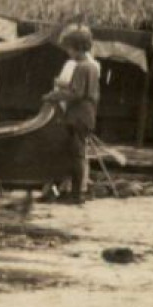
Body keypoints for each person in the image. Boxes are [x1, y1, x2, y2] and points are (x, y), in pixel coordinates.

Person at [47, 25, 100, 204]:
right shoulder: (92, 67)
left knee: (76, 155)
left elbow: (75, 93)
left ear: (76, 47)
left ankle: (76, 195)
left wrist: (54, 96)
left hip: (78, 115)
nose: (68, 52)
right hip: (87, 115)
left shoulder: (81, 67)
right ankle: (74, 193)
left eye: (69, 48)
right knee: (77, 154)